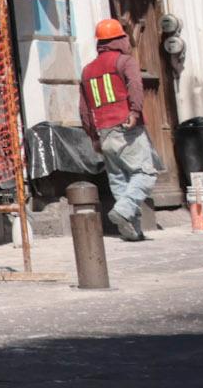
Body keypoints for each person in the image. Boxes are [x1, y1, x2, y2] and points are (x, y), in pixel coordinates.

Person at [80, 16, 158, 241]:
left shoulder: (87, 70)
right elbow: (135, 85)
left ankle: (132, 231)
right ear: (119, 40)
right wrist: (135, 112)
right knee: (144, 174)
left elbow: (84, 109)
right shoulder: (125, 61)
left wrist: (93, 137)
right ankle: (123, 211)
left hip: (103, 132)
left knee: (119, 179)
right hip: (126, 127)